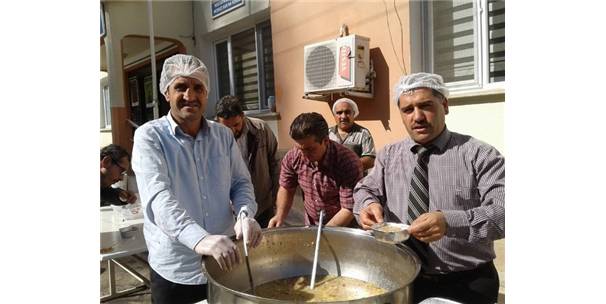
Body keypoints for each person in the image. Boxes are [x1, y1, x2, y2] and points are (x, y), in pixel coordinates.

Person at [353, 72, 505, 304]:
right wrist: (367, 205)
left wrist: (451, 222)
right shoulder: (389, 155)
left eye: (426, 106)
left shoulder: (480, 155)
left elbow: (504, 212)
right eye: (408, 110)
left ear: (445, 105)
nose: (418, 117)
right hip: (404, 279)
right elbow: (365, 189)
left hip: (467, 283)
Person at [131, 54, 263, 304]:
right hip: (175, 268)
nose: (190, 96)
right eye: (180, 87)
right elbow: (158, 197)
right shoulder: (150, 137)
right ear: (166, 93)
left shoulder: (223, 135)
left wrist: (246, 214)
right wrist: (200, 238)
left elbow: (240, 182)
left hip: (224, 263)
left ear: (206, 94)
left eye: (198, 88)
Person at [268, 112, 363, 228]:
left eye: (310, 149)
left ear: (326, 141)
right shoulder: (293, 156)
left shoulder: (347, 162)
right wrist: (279, 216)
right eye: (300, 148)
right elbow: (286, 187)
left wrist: (323, 233)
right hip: (311, 225)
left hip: (344, 228)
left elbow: (348, 208)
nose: (304, 155)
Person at [215, 95, 279, 228]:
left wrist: (276, 200)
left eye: (236, 125)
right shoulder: (212, 138)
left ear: (243, 116)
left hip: (263, 205)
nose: (232, 131)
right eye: (226, 127)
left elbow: (275, 165)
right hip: (231, 211)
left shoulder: (261, 129)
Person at [328, 97, 376, 172]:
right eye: (339, 113)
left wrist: (349, 166)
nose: (343, 116)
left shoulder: (363, 133)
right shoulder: (327, 133)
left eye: (347, 112)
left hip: (356, 181)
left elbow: (370, 159)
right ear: (334, 115)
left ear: (353, 114)